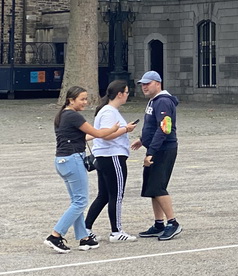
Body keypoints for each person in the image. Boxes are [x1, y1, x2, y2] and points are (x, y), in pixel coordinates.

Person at [46, 85, 135, 253]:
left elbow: (87, 135)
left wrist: (105, 131)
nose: (85, 102)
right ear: (71, 100)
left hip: (63, 160)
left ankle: (84, 237)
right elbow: (99, 134)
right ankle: (55, 235)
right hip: (72, 160)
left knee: (76, 202)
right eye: (82, 99)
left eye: (86, 98)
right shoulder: (73, 115)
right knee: (80, 201)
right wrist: (118, 129)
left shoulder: (63, 115)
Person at [85, 80, 138, 242]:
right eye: (127, 92)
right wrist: (125, 129)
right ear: (120, 94)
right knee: (116, 194)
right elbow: (106, 135)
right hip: (112, 155)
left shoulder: (107, 110)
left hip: (104, 156)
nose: (127, 96)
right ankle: (116, 231)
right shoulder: (109, 112)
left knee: (104, 195)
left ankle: (85, 227)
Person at [133, 71, 182, 240]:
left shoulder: (162, 102)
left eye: (148, 83)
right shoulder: (154, 101)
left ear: (158, 83)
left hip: (163, 149)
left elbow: (164, 129)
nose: (144, 87)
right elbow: (153, 126)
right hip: (156, 148)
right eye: (142, 84)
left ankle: (173, 222)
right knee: (152, 188)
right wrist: (142, 139)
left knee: (158, 186)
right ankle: (159, 223)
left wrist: (151, 152)